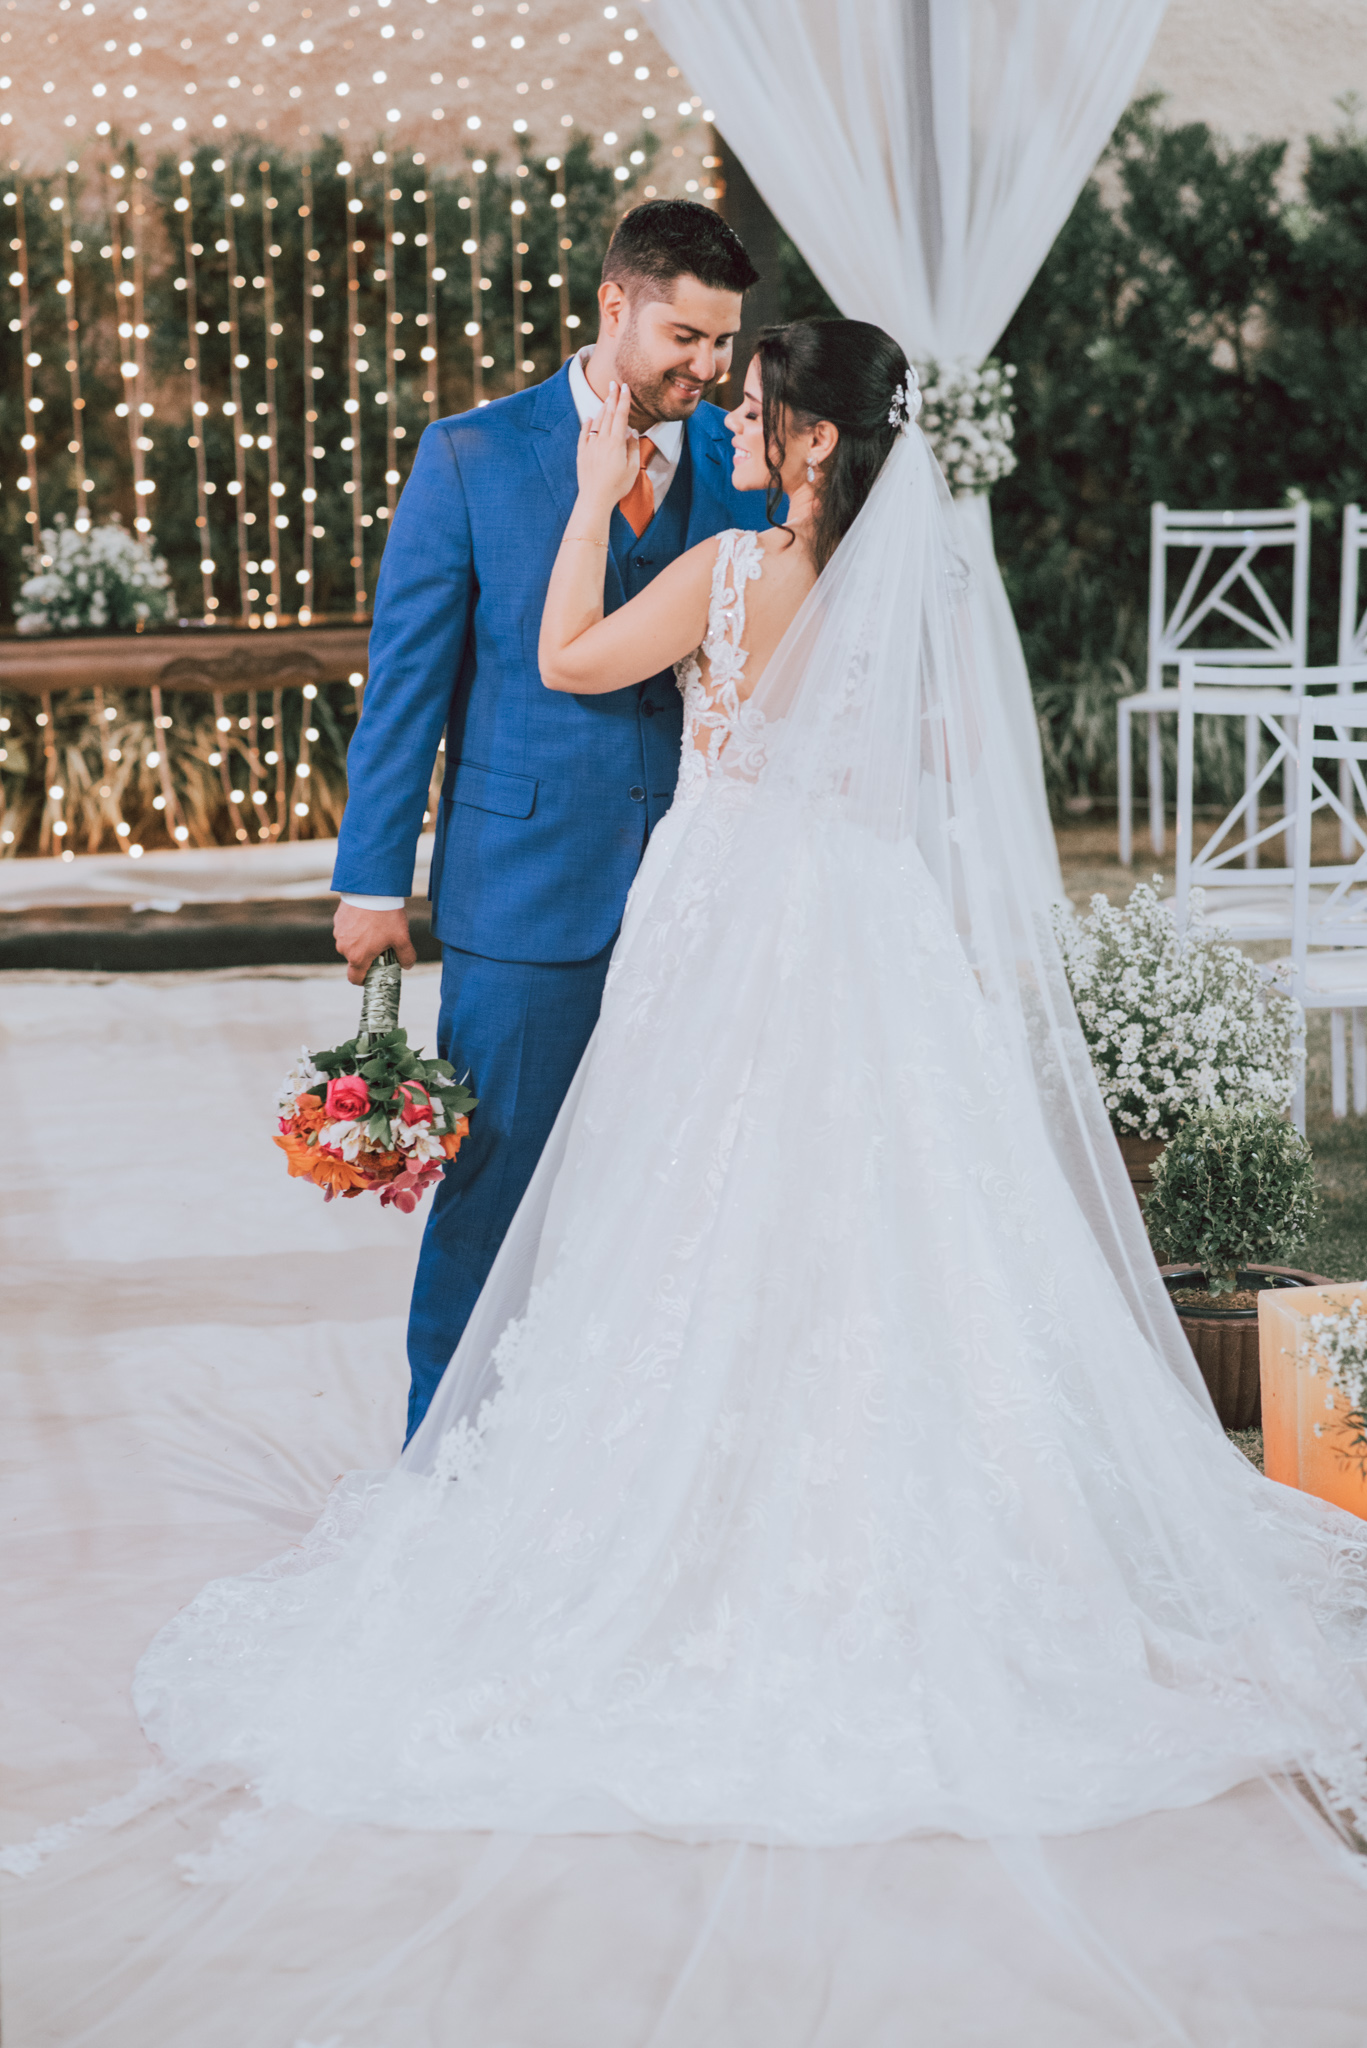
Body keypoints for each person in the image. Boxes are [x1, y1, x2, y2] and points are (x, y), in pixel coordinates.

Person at [138, 320, 1367, 1887]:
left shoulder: (730, 573)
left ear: (811, 443)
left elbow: (567, 654)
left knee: (691, 1210)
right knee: (893, 1213)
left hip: (725, 922)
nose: (729, 417)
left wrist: (590, 503)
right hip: (864, 922)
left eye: (757, 406)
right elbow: (929, 766)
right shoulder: (914, 596)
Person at [329, 199, 772, 1442]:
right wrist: (371, 881)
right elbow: (407, 685)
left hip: (701, 887)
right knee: (495, 1186)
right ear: (613, 305)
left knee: (671, 1188)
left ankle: (619, 1452)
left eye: (722, 343)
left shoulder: (744, 462)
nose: (706, 366)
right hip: (523, 887)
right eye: (684, 336)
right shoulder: (470, 454)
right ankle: (441, 1454)